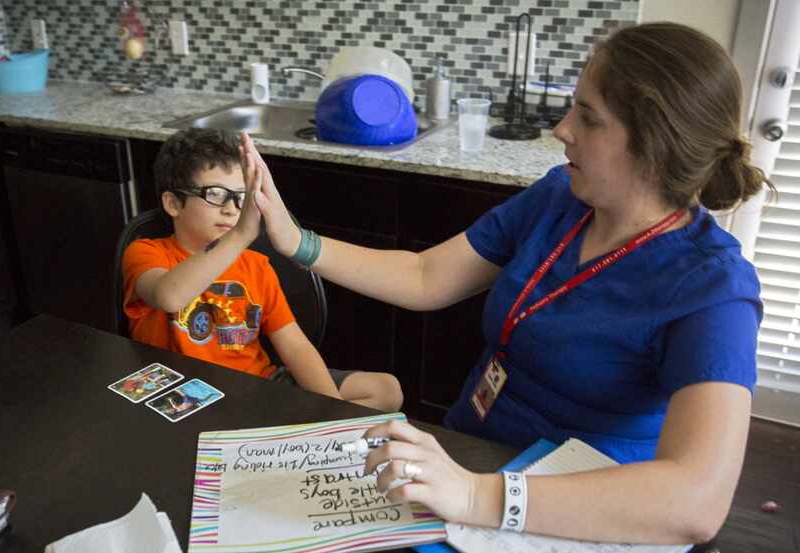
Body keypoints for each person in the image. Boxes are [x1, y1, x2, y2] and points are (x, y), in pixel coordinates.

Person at [242, 22, 773, 545]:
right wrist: (297, 243)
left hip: (579, 509)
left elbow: (697, 500)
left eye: (587, 117)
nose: (562, 130)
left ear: (654, 146)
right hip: (472, 454)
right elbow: (426, 276)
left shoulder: (714, 287)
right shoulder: (560, 199)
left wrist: (476, 497)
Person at [122, 128, 403, 411]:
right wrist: (240, 235)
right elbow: (169, 296)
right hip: (185, 395)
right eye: (216, 194)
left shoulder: (257, 266)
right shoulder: (145, 253)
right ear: (173, 203)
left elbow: (295, 345)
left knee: (386, 389)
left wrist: (331, 409)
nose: (232, 209)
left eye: (242, 197)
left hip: (259, 385)